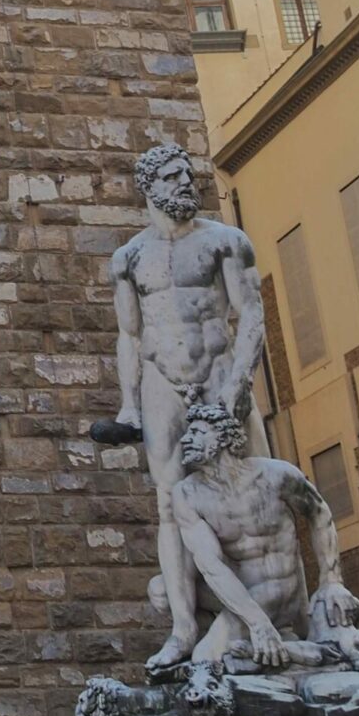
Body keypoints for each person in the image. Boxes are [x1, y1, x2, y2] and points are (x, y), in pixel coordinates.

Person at [106, 143, 267, 671]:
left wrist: (237, 387)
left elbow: (250, 319)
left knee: (253, 486)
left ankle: (270, 612)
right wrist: (129, 405)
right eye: (173, 176)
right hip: (162, 384)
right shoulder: (128, 258)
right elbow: (129, 335)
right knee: (170, 504)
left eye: (188, 175)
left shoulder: (225, 242)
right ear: (149, 186)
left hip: (220, 373)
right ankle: (182, 629)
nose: (186, 183)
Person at [171, 402, 359, 671]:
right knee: (161, 590)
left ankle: (285, 650)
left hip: (277, 587)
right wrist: (257, 623)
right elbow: (211, 566)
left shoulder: (276, 475)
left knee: (206, 659)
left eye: (197, 432)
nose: (185, 439)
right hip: (236, 587)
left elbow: (320, 514)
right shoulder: (187, 493)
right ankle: (275, 645)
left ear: (223, 437)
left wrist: (331, 580)